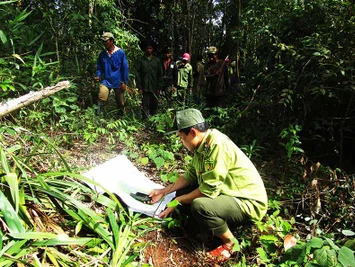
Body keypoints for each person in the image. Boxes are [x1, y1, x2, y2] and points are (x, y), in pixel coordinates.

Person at [149, 108, 268, 262]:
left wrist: (177, 201)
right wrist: (164, 191)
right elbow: (190, 175)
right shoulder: (202, 145)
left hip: (248, 201)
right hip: (227, 193)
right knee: (183, 193)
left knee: (200, 206)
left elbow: (207, 191)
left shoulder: (216, 145)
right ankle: (205, 228)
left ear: (193, 132)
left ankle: (230, 242)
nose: (181, 142)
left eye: (181, 137)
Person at [94, 32, 129, 117]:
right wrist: (98, 75)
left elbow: (125, 68)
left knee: (120, 101)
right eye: (103, 41)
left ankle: (120, 117)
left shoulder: (120, 53)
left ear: (112, 41)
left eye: (106, 41)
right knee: (101, 97)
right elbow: (99, 67)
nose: (105, 43)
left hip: (118, 81)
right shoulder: (102, 54)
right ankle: (99, 116)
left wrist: (124, 82)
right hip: (106, 80)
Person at [136, 40, 163, 119]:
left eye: (150, 48)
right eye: (147, 48)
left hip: (154, 87)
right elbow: (138, 74)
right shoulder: (141, 60)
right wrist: (139, 87)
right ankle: (145, 120)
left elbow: (160, 74)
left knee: (154, 104)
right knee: (145, 104)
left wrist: (159, 87)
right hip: (145, 87)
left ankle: (153, 119)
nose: (148, 50)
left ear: (153, 49)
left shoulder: (157, 61)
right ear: (145, 49)